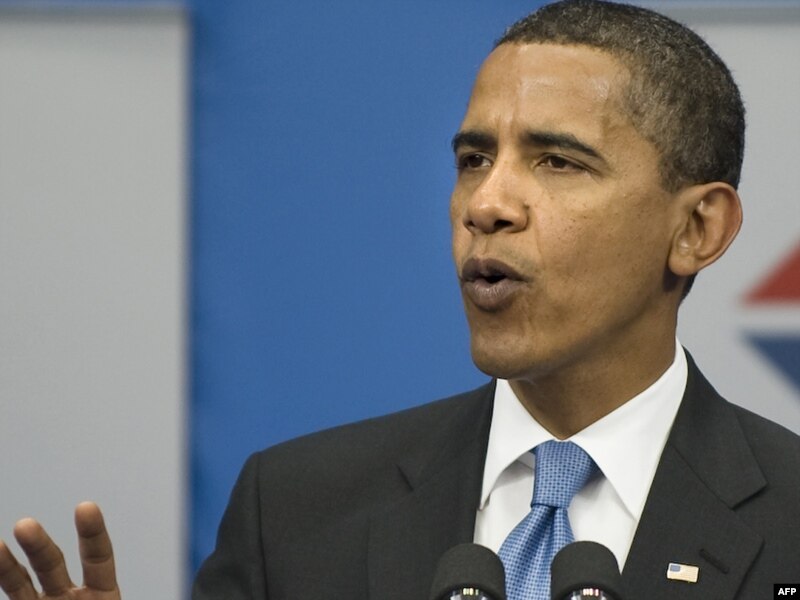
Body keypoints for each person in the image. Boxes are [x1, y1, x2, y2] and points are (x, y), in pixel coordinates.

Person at [2, 1, 799, 598]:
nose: (487, 203)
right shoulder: (294, 511)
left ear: (697, 229)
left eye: (557, 162)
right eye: (474, 159)